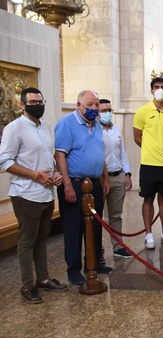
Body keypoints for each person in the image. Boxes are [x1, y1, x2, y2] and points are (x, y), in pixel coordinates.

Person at [0, 87, 68, 303]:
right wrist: (35, 175)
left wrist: (56, 174)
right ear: (22, 105)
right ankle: (28, 285)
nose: (38, 105)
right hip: (26, 193)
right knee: (27, 240)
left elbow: (48, 157)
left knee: (41, 238)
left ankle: (44, 278)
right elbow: (5, 161)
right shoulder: (15, 128)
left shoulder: (45, 127)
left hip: (46, 194)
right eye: (32, 102)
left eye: (40, 101)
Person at [54, 90, 112, 285]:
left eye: (96, 105)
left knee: (95, 224)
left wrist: (105, 178)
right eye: (90, 105)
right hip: (75, 184)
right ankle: (73, 269)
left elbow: (99, 153)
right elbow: (60, 155)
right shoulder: (66, 124)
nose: (94, 109)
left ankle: (94, 263)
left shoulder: (96, 125)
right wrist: (67, 185)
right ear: (79, 105)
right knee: (74, 227)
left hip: (94, 184)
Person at [133, 77, 163, 249]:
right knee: (147, 199)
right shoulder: (142, 112)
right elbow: (137, 137)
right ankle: (148, 235)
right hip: (149, 163)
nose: (160, 89)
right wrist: (150, 149)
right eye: (157, 87)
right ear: (151, 90)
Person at [98, 99, 133, 259]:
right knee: (97, 215)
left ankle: (118, 246)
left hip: (117, 176)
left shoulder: (116, 129)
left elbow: (122, 153)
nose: (107, 113)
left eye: (109, 110)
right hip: (100, 178)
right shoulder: (94, 130)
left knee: (116, 215)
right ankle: (96, 250)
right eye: (103, 110)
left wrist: (127, 174)